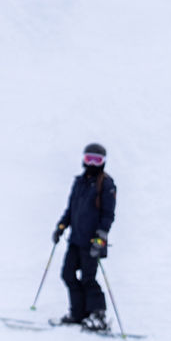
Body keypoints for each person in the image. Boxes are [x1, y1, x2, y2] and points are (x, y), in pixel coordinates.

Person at [52, 142, 117, 331]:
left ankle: (98, 316)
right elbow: (71, 209)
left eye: (98, 161)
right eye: (89, 159)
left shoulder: (106, 184)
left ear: (104, 163)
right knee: (67, 274)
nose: (93, 164)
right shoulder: (79, 182)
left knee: (88, 278)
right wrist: (61, 227)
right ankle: (78, 313)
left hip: (92, 242)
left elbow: (107, 216)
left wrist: (100, 239)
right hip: (75, 239)